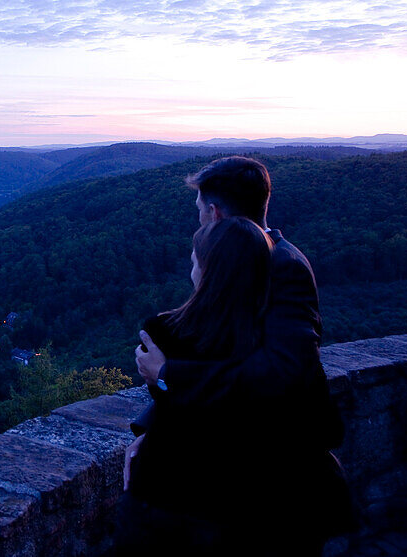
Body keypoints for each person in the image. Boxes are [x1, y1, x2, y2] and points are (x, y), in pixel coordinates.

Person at [123, 156, 354, 555]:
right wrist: (154, 430)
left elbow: (281, 373)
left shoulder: (282, 266)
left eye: (199, 211)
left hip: (268, 482)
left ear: (214, 212)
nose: (197, 222)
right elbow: (218, 351)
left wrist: (168, 373)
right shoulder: (235, 260)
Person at [119, 217, 276, 553]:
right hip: (237, 499)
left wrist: (163, 381)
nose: (190, 266)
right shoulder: (270, 342)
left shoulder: (163, 332)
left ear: (206, 271)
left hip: (164, 493)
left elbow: (175, 405)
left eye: (194, 260)